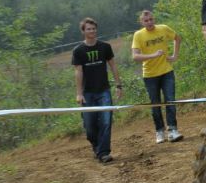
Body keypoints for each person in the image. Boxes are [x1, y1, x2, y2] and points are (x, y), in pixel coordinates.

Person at [71, 17, 123, 164]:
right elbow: (78, 72)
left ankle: (104, 152)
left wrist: (118, 85)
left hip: (104, 91)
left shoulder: (105, 47)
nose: (92, 31)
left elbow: (113, 66)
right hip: (87, 93)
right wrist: (79, 93)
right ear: (83, 31)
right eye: (88, 29)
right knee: (90, 126)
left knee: (106, 122)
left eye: (93, 28)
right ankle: (96, 146)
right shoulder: (78, 51)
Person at [131, 10, 183, 144]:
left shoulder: (163, 29)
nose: (149, 22)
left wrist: (175, 56)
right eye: (146, 21)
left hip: (167, 71)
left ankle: (172, 130)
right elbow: (135, 56)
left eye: (151, 19)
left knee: (170, 100)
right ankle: (159, 131)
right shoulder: (138, 35)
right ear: (142, 22)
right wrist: (152, 55)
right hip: (150, 74)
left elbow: (177, 38)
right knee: (156, 104)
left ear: (154, 19)